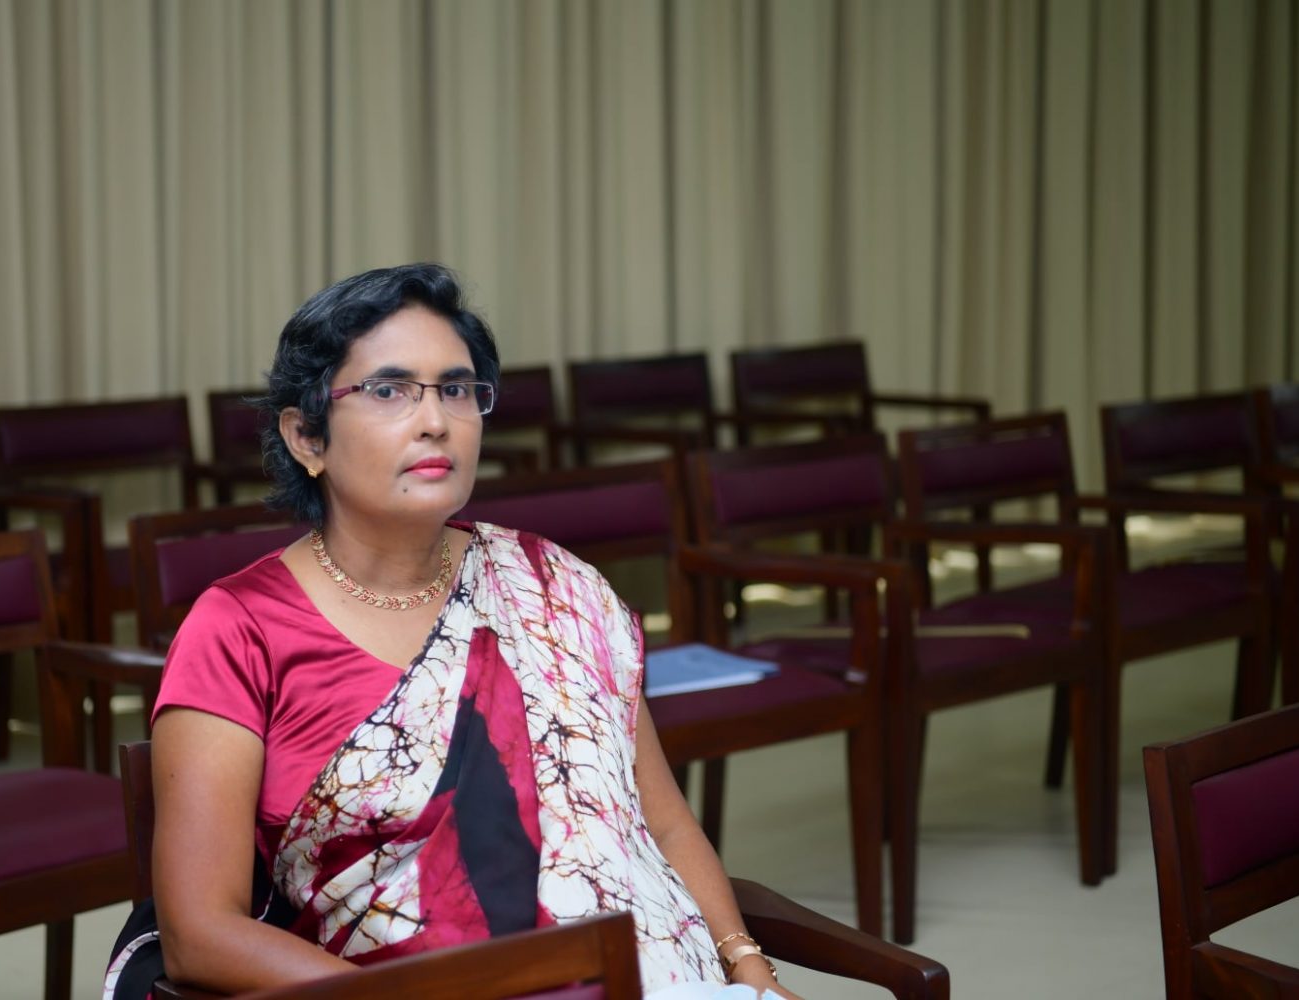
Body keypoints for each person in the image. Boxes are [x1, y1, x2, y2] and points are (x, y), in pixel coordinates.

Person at [104, 263, 801, 1000]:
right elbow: (200, 934)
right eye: (389, 390)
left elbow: (660, 825)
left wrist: (751, 972)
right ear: (306, 436)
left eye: (458, 389)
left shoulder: (552, 584)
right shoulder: (241, 629)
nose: (435, 419)